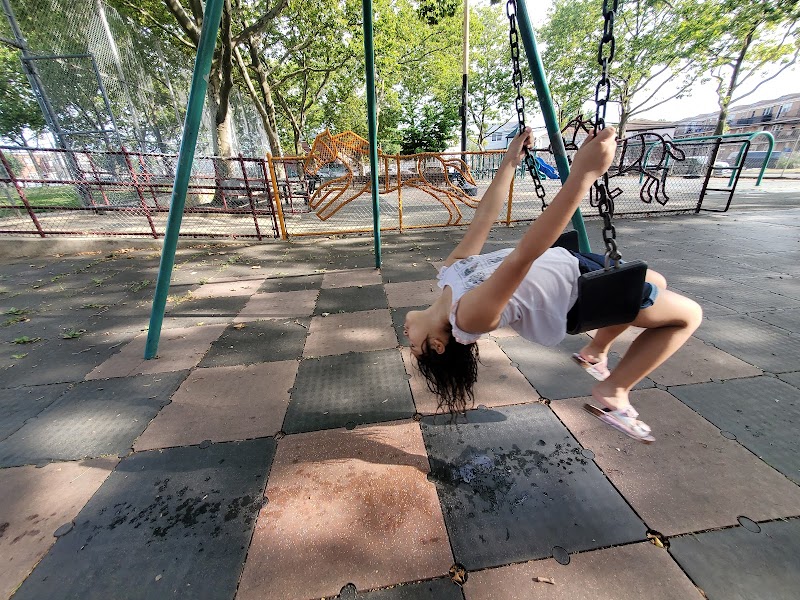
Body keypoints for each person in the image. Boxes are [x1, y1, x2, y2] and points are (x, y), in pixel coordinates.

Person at [403, 126, 702, 443]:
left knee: (656, 281)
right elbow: (522, 257)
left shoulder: (449, 274)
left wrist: (509, 163)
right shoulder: (468, 318)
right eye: (412, 344)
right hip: (579, 297)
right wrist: (582, 176)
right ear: (437, 344)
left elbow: (483, 218)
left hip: (571, 264)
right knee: (689, 315)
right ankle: (614, 390)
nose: (406, 335)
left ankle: (596, 351)